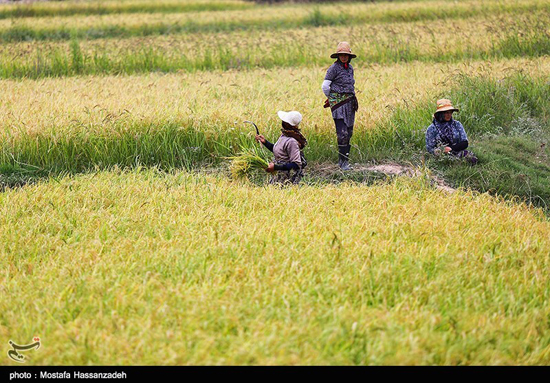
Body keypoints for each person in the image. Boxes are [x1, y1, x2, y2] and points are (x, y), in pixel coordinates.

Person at [322, 41, 358, 171]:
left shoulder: (350, 68)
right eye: (341, 55)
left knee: (349, 132)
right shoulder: (333, 68)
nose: (344, 57)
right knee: (342, 133)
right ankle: (342, 164)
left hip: (350, 104)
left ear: (349, 56)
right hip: (339, 105)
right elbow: (325, 86)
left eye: (346, 55)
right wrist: (332, 99)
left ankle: (345, 161)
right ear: (338, 56)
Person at [255, 111, 307, 184]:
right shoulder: (285, 135)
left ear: (286, 124)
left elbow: (296, 164)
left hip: (286, 178)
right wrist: (265, 142)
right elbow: (279, 151)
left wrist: (275, 167)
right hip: (278, 174)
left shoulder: (291, 141)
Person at [425, 99, 478, 164]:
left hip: (457, 151)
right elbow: (430, 149)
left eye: (450, 112)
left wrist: (451, 148)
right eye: (446, 112)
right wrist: (441, 151)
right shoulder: (431, 129)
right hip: (441, 157)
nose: (449, 115)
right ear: (440, 114)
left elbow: (465, 143)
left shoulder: (457, 124)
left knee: (472, 159)